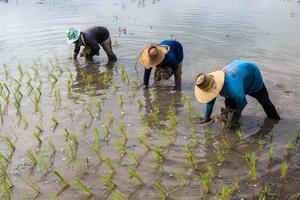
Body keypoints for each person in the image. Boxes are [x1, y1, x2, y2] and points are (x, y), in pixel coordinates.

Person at [194, 60, 280, 123]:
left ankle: (276, 121)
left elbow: (243, 102)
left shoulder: (233, 89)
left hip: (252, 74)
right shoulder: (212, 82)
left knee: (265, 101)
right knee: (229, 105)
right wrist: (206, 118)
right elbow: (210, 101)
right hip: (238, 73)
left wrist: (236, 115)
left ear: (215, 85)